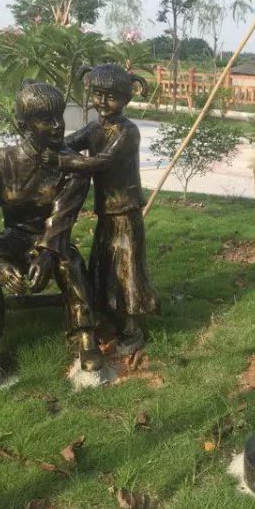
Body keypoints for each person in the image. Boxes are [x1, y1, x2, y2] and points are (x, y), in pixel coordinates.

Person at [0, 80, 103, 384]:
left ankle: (86, 336)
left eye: (59, 116)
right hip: (12, 237)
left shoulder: (72, 166)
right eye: (45, 119)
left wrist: (47, 253)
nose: (57, 126)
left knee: (72, 264)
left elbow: (62, 218)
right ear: (24, 125)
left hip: (51, 238)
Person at [42, 64, 160, 355]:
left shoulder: (128, 132)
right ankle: (108, 314)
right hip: (107, 209)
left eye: (111, 97)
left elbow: (102, 162)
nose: (103, 103)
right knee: (105, 265)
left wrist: (61, 161)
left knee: (127, 269)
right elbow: (69, 143)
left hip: (126, 209)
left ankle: (132, 329)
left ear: (126, 99)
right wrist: (45, 143)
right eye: (98, 95)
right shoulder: (95, 127)